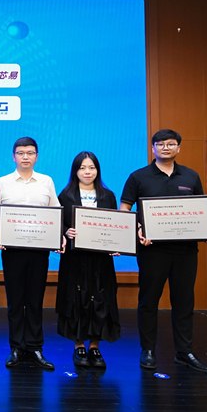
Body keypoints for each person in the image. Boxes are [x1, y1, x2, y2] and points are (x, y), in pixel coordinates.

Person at [120, 129, 207, 373]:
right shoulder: (138, 176)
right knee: (148, 301)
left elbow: (201, 209)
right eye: (161, 144)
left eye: (171, 144)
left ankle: (184, 352)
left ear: (179, 148)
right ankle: (148, 350)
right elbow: (125, 208)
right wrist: (138, 228)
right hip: (152, 251)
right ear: (153, 148)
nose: (166, 147)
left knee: (184, 301)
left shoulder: (191, 176)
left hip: (186, 250)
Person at [0, 136, 62, 371]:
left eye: (30, 153)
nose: (25, 157)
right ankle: (16, 347)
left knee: (35, 299)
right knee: (15, 300)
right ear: (14, 156)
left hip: (39, 250)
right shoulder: (3, 182)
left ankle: (34, 346)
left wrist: (57, 236)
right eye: (21, 153)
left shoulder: (46, 181)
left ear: (36, 156)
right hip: (12, 250)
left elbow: (55, 211)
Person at [56, 151, 120, 369]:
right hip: (75, 259)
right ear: (75, 171)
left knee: (100, 299)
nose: (87, 172)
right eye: (82, 168)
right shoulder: (65, 196)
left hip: (100, 260)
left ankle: (94, 346)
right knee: (76, 299)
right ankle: (79, 346)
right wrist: (66, 231)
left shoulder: (108, 196)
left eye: (91, 168)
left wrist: (117, 244)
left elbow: (115, 225)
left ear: (97, 170)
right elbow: (58, 224)